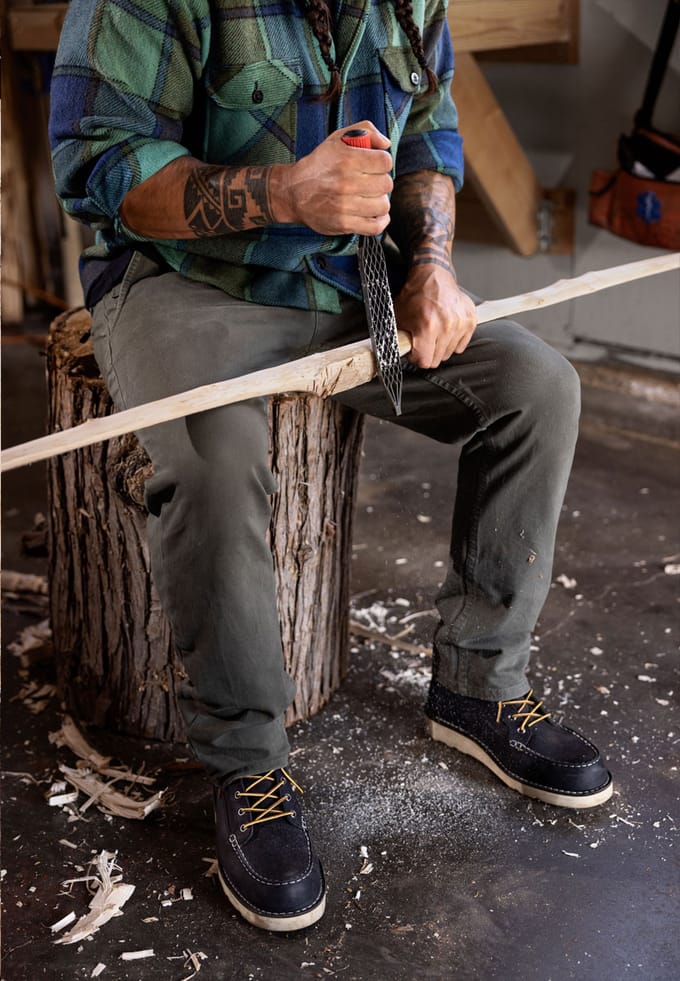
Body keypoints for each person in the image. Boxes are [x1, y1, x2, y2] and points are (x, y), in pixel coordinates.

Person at [49, 0, 613, 933]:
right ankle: (248, 764)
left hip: (349, 275)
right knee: (213, 464)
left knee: (537, 386)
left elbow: (429, 125)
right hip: (186, 281)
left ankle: (479, 687)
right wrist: (283, 193)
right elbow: (98, 163)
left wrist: (431, 262)